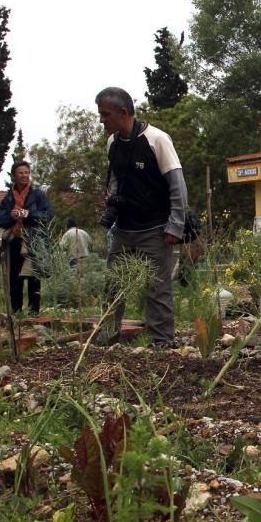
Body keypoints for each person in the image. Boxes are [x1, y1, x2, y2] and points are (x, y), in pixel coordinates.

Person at [96, 87, 188, 347]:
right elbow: (115, 181)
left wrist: (176, 226)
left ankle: (162, 341)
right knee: (114, 285)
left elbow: (177, 185)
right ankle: (106, 336)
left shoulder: (157, 139)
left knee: (157, 288)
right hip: (125, 228)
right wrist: (111, 207)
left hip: (156, 228)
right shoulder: (112, 143)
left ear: (123, 112)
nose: (102, 120)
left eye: (105, 114)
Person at [0, 160, 54, 314]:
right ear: (14, 176)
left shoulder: (38, 194)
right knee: (14, 277)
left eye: (26, 172)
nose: (24, 175)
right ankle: (16, 311)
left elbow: (48, 215)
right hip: (15, 240)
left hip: (33, 239)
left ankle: (34, 311)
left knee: (33, 276)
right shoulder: (8, 198)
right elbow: (0, 220)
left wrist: (29, 214)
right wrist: (12, 216)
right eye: (21, 173)